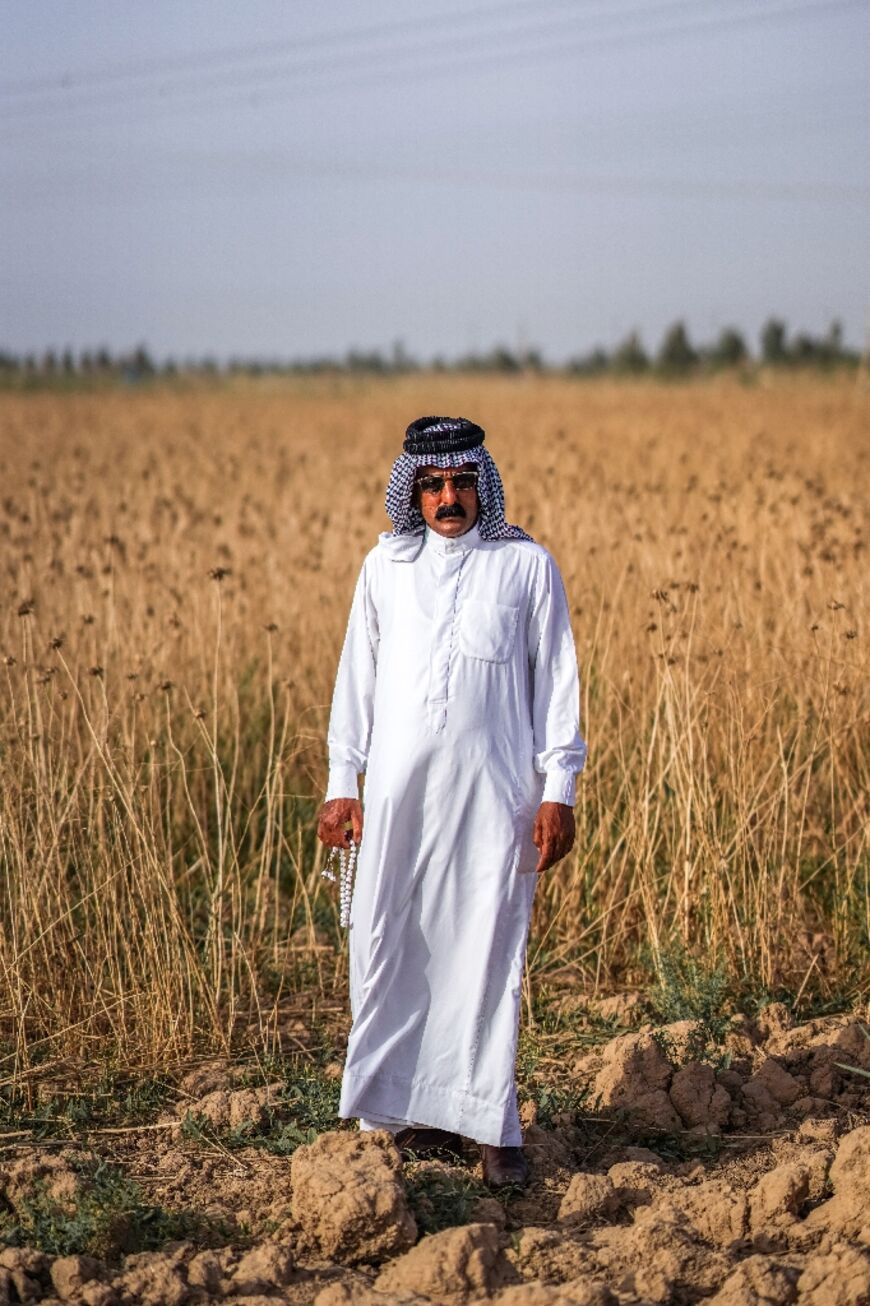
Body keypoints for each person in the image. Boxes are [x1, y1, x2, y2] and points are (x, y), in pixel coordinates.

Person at [317, 415, 586, 1187]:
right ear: (413, 490)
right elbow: (355, 681)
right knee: (387, 945)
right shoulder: (386, 568)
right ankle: (391, 1117)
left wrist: (557, 790)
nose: (446, 498)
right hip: (399, 801)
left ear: (482, 484)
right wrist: (344, 783)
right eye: (431, 485)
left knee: (484, 952)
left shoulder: (526, 567)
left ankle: (490, 1127)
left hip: (493, 799)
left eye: (461, 482)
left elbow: (557, 685)